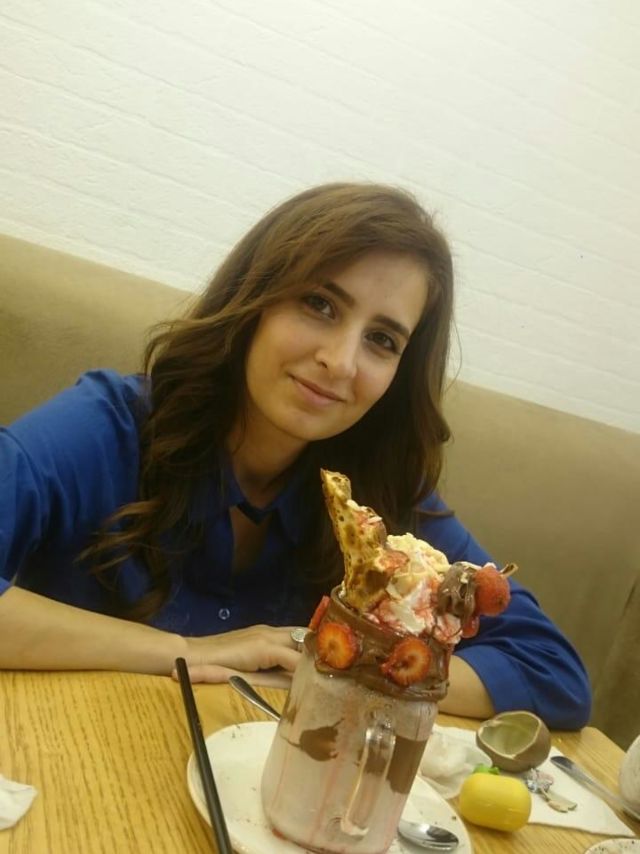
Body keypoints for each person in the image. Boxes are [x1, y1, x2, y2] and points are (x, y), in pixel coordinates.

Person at [0, 183, 590, 729]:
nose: (341, 360)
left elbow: (550, 670)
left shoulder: (380, 505)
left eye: (382, 340)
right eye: (319, 304)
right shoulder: (108, 427)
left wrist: (348, 663)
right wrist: (187, 652)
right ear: (254, 297)